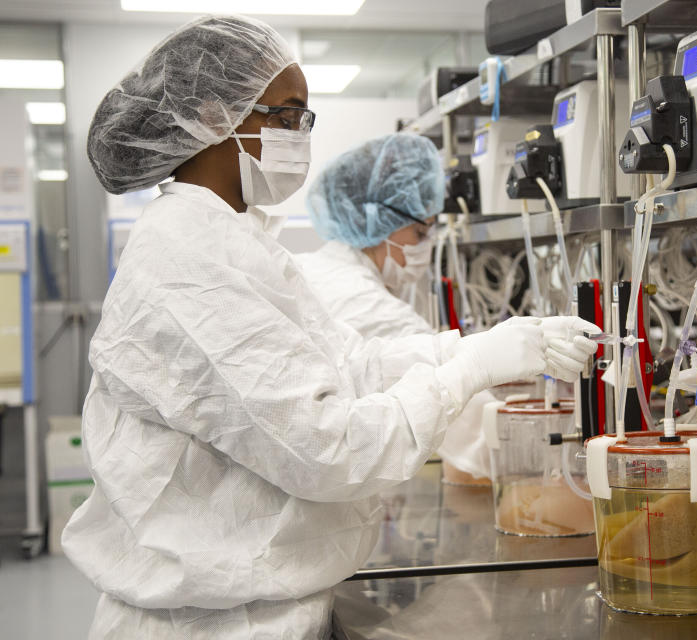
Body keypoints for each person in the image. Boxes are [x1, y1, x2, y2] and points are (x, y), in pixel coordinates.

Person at [61, 14, 599, 640]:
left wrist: (474, 346)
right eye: (288, 117)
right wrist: (472, 370)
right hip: (211, 625)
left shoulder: (234, 240)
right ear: (214, 119)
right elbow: (329, 449)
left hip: (258, 607)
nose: (301, 137)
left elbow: (349, 365)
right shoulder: (187, 264)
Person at [296, 133, 493, 485]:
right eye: (420, 232)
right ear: (375, 218)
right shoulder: (363, 302)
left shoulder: (317, 269)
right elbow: (476, 430)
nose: (427, 246)